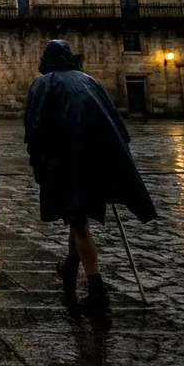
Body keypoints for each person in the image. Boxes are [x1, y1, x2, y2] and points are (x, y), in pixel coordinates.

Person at [24, 40, 157, 323]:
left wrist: (39, 163)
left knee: (79, 222)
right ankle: (71, 266)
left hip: (67, 163)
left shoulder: (43, 85)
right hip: (97, 161)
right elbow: (116, 124)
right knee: (77, 216)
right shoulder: (90, 82)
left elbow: (34, 128)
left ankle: (97, 291)